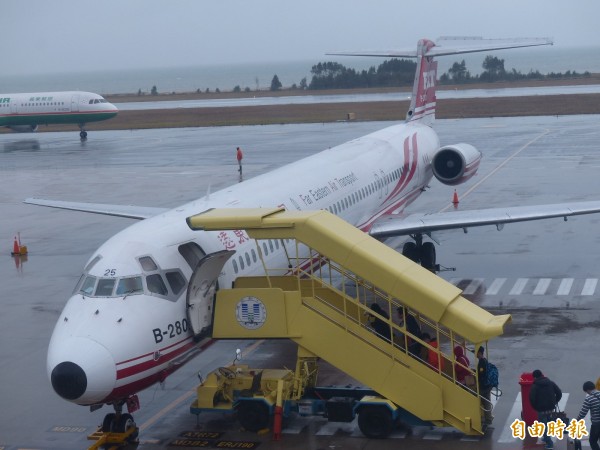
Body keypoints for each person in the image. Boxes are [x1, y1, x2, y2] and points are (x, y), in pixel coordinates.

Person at [529, 369, 562, 449]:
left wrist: (535, 407)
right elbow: (559, 393)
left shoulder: (535, 386)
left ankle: (549, 443)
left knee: (544, 426)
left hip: (541, 409)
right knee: (547, 423)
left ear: (535, 377)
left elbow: (532, 399)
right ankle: (546, 437)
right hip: (550, 408)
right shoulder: (551, 383)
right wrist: (555, 401)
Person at [576, 381, 600, 450]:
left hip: (596, 424)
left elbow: (583, 412)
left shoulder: (589, 398)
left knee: (592, 441)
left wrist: (577, 419)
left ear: (587, 390)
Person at [477, 346, 494, 425]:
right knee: (486, 401)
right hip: (488, 384)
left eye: (477, 353)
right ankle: (488, 418)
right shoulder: (485, 360)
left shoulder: (481, 362)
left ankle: (486, 418)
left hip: (484, 386)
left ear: (480, 353)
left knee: (483, 401)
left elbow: (481, 373)